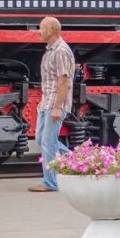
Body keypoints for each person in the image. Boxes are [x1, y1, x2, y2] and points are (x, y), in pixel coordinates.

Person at [29, 16, 75, 192]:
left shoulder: (61, 51)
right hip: (46, 102)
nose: (38, 32)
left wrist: (57, 107)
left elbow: (63, 81)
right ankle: (76, 159)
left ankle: (50, 182)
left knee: (48, 143)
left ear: (49, 30)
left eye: (40, 28)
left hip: (55, 103)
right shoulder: (50, 50)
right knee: (42, 139)